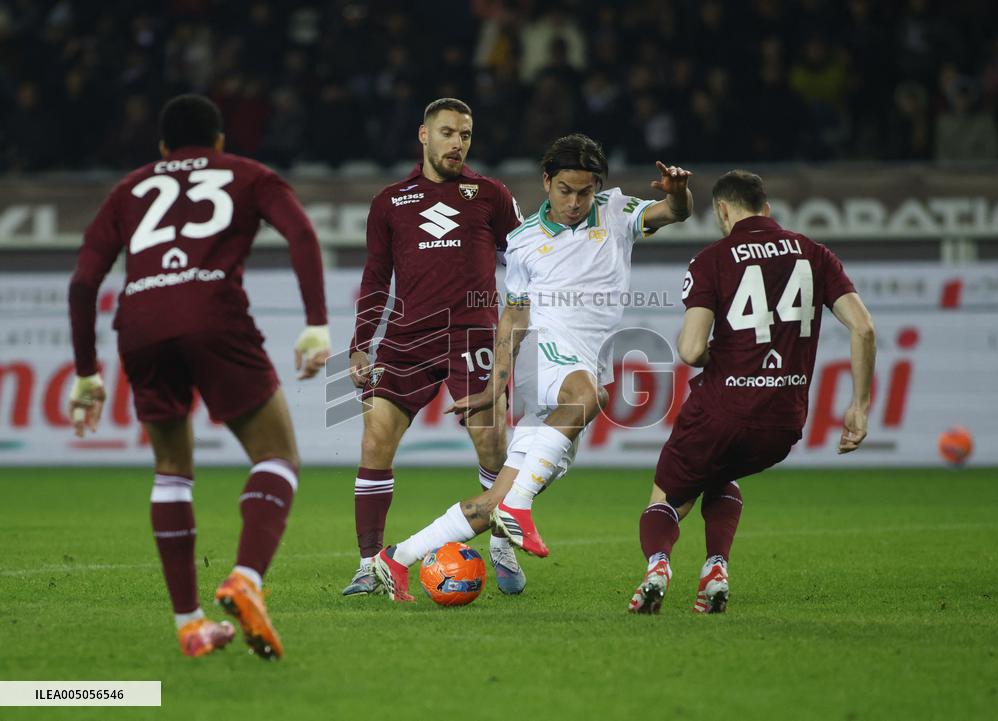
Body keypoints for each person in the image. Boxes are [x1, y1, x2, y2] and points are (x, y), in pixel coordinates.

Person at [372, 133, 694, 601]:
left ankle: (397, 558)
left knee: (495, 499)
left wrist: (678, 193)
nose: (574, 202)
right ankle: (518, 511)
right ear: (546, 182)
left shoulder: (617, 212)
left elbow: (673, 212)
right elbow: (515, 315)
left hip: (586, 359)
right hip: (545, 354)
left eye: (584, 192)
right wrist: (494, 385)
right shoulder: (522, 240)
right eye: (565, 190)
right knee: (590, 398)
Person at [67, 94, 331, 658]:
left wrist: (86, 373)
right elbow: (302, 234)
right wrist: (315, 323)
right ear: (218, 142)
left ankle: (190, 625)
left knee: (171, 471)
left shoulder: (129, 188)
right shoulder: (248, 174)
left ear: (163, 147)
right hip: (213, 313)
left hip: (140, 322)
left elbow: (84, 281)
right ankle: (246, 579)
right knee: (276, 456)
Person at [627, 169, 876, 615]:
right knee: (719, 474)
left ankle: (658, 566)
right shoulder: (814, 254)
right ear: (767, 208)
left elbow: (690, 350)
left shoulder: (712, 259)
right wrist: (859, 406)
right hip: (782, 422)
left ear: (723, 210)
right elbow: (864, 328)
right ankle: (716, 568)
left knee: (666, 497)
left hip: (720, 410)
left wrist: (719, 354)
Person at [343, 98, 524, 596]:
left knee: (492, 442)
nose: (457, 143)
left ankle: (500, 539)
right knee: (375, 441)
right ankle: (369, 565)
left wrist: (522, 314)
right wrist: (360, 344)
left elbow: (527, 257)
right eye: (447, 132)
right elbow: (376, 277)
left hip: (473, 335)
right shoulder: (390, 201)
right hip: (407, 339)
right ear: (424, 135)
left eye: (465, 134)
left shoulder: (491, 194)